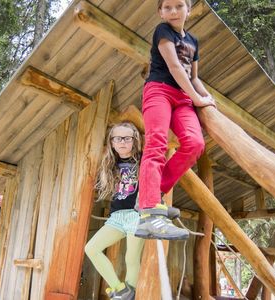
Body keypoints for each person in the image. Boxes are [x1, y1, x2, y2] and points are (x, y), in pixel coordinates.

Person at [135, 0, 215, 240]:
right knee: (156, 144)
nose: (173, 11)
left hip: (183, 97)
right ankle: (150, 211)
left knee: (195, 144)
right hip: (159, 89)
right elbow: (174, 67)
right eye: (167, 7)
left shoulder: (193, 41)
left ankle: (152, 193)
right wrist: (197, 98)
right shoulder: (163, 31)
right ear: (160, 12)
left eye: (179, 6)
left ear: (188, 10)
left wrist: (206, 96)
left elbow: (193, 76)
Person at [85, 122, 145, 300]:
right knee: (91, 248)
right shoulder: (110, 163)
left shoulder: (143, 159)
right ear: (111, 142)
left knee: (131, 258)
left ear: (135, 141)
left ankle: (130, 294)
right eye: (117, 139)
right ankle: (120, 289)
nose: (122, 142)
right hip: (117, 217)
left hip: (137, 215)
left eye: (127, 138)